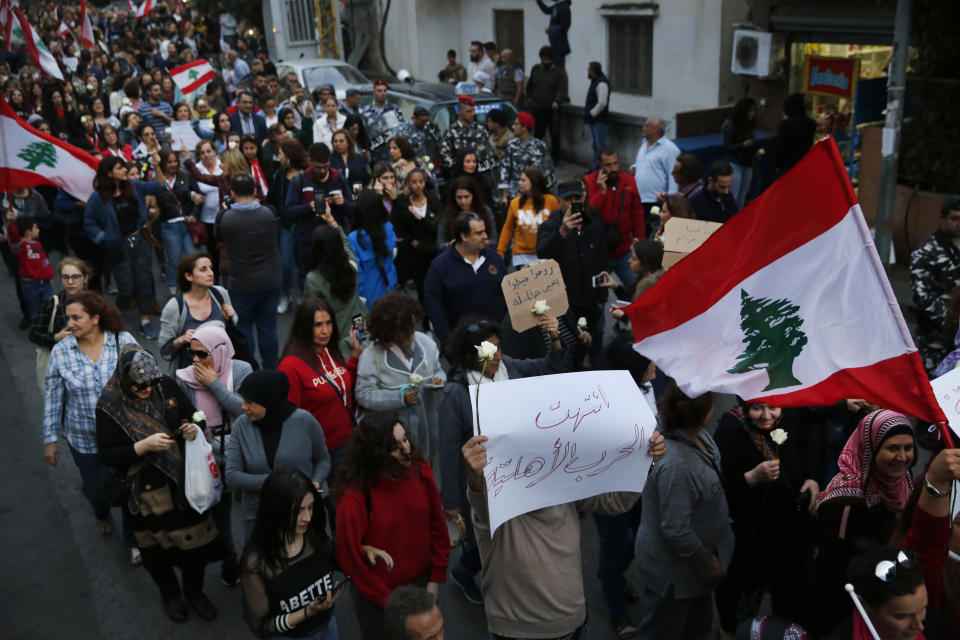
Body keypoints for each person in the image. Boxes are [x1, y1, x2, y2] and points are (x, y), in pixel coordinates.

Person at [460, 422, 665, 639]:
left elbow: (615, 501)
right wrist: (475, 476)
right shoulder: (497, 503)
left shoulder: (563, 483)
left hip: (575, 623)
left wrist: (646, 460)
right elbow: (480, 497)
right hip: (518, 632)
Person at [439, 316, 566, 604]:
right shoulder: (457, 395)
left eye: (498, 347)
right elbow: (448, 454)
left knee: (510, 536)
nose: (496, 355)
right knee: (488, 538)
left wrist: (555, 339)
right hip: (482, 484)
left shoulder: (509, 368)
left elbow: (549, 367)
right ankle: (465, 572)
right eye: (488, 349)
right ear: (472, 354)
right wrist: (452, 503)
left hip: (517, 475)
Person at [95, 345, 221, 622]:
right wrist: (142, 446)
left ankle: (194, 592)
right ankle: (171, 595)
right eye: (140, 386)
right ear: (125, 381)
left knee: (194, 549)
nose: (148, 390)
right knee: (156, 554)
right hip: (144, 494)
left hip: (182, 486)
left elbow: (196, 414)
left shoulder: (167, 385)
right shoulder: (109, 406)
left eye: (152, 383)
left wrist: (193, 427)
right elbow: (107, 454)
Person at [333, 411, 449, 640]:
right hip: (380, 597)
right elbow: (349, 558)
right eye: (396, 447)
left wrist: (436, 578)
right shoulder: (355, 496)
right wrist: (389, 602)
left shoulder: (418, 469)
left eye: (405, 439)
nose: (407, 450)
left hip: (422, 584)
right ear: (376, 454)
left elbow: (437, 525)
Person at [42, 292, 140, 558]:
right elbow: (53, 397)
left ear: (96, 318)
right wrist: (50, 439)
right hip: (84, 440)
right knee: (97, 491)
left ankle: (133, 542)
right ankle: (101, 513)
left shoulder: (123, 342)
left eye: (76, 317)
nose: (69, 323)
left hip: (125, 437)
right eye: (67, 318)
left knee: (132, 490)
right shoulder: (62, 352)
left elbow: (147, 384)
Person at [633, 382, 733, 640]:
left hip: (693, 576)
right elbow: (676, 531)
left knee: (697, 628)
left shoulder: (694, 435)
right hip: (675, 576)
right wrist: (708, 562)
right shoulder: (676, 466)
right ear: (706, 413)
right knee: (664, 631)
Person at [713, 400, 821, 635]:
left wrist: (811, 477)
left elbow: (807, 444)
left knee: (789, 593)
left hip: (790, 529)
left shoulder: (791, 414)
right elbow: (717, 488)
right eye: (757, 408)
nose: (766, 416)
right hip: (749, 533)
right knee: (742, 592)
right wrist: (751, 477)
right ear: (743, 407)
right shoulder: (729, 430)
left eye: (773, 407)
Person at [806, 410, 919, 633]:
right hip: (847, 608)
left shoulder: (904, 481)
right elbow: (832, 570)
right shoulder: (845, 502)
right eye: (893, 448)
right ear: (870, 450)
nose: (903, 457)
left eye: (908, 448)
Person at [175, 325, 252, 587]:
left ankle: (243, 562)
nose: (195, 360)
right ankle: (229, 558)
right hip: (206, 459)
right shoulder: (184, 378)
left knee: (250, 514)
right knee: (218, 515)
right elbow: (181, 416)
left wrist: (214, 385)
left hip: (239, 455)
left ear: (219, 352)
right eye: (192, 353)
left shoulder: (240, 370)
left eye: (201, 354)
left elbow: (245, 411)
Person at [226, 369, 331, 538]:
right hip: (260, 518)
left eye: (249, 401)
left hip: (302, 517)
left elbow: (323, 460)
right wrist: (278, 484)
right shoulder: (241, 426)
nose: (243, 406)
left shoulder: (305, 421)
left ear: (268, 400)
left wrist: (316, 481)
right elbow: (232, 475)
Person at [240, 469, 342, 639]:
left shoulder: (313, 536)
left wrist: (361, 549)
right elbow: (261, 626)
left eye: (310, 507)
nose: (307, 518)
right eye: (298, 511)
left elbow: (338, 561)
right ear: (275, 511)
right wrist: (307, 612)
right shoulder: (256, 564)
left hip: (328, 628)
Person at [355, 292, 446, 458]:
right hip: (391, 442)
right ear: (386, 330)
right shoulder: (371, 356)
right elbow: (363, 394)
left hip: (427, 432)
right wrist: (399, 398)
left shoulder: (426, 344)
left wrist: (440, 380)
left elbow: (438, 369)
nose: (409, 333)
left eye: (411, 326)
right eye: (402, 330)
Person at [84, 155, 165, 339]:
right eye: (120, 168)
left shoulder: (134, 186)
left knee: (144, 280)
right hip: (117, 246)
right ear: (109, 172)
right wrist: (104, 238)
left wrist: (156, 163)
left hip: (140, 240)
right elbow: (89, 223)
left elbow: (159, 185)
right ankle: (117, 314)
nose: (125, 171)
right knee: (126, 286)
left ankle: (145, 321)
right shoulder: (98, 198)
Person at [278, 297, 363, 473]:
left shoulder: (330, 351)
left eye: (328, 323)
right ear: (304, 327)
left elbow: (341, 385)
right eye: (317, 325)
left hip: (345, 443)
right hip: (314, 452)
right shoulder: (289, 366)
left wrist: (355, 356)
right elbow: (289, 418)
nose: (325, 331)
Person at [536, 179, 607, 362]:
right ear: (559, 201)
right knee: (571, 353)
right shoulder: (550, 225)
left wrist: (601, 298)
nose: (574, 202)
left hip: (591, 302)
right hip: (566, 305)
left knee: (595, 349)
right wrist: (562, 232)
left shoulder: (593, 222)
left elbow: (601, 262)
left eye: (578, 197)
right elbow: (542, 252)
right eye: (569, 199)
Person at [218, 173, 282, 369]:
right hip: (270, 279)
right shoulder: (269, 213)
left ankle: (250, 370)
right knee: (268, 327)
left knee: (243, 328)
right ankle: (271, 369)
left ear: (232, 192)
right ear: (255, 191)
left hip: (241, 282)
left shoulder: (226, 218)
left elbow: (218, 238)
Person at [824, 548, 952, 640]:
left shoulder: (939, 627)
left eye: (923, 608)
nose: (919, 626)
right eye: (902, 616)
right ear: (863, 606)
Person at [424, 211, 507, 344]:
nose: (485, 236)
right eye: (479, 233)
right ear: (464, 236)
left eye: (484, 231)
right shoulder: (440, 266)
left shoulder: (494, 258)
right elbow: (434, 306)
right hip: (464, 345)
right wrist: (447, 341)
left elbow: (508, 293)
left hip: (498, 339)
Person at [285, 142, 357, 285]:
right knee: (307, 278)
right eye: (318, 167)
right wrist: (309, 207)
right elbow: (289, 211)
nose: (323, 171)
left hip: (334, 240)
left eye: (326, 167)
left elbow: (354, 210)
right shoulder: (299, 180)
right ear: (310, 162)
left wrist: (343, 203)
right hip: (307, 240)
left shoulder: (338, 177)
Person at [910, 196, 960, 374]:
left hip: (957, 341)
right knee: (933, 387)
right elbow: (923, 296)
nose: (959, 224)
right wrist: (952, 322)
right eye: (955, 219)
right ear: (943, 218)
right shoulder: (927, 250)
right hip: (935, 338)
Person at [160, 253, 237, 368]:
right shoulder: (175, 307)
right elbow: (164, 350)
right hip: (190, 373)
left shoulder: (220, 293)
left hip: (221, 368)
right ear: (189, 276)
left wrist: (231, 317)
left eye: (211, 268)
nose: (210, 273)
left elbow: (232, 326)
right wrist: (181, 340)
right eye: (203, 270)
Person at [304, 225, 366, 360]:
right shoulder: (351, 266)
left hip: (335, 333)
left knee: (342, 367)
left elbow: (310, 313)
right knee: (363, 355)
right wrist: (333, 222)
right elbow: (347, 245)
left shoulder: (313, 279)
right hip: (358, 323)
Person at [29, 258, 91, 394]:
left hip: (90, 371)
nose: (70, 282)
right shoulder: (52, 304)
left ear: (85, 278)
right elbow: (34, 335)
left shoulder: (95, 305)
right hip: (60, 372)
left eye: (75, 277)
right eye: (65, 277)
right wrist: (55, 337)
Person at [585, 147, 646, 286]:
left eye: (615, 163)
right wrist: (601, 192)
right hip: (599, 254)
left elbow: (637, 214)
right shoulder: (589, 182)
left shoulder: (629, 181)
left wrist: (640, 241)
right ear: (600, 165)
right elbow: (587, 213)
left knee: (636, 290)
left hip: (625, 252)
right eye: (608, 165)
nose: (613, 168)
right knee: (597, 296)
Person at [154, 148, 202, 297]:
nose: (174, 164)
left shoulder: (186, 177)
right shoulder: (156, 181)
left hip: (189, 224)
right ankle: (172, 287)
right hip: (169, 225)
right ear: (162, 163)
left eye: (175, 161)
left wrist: (194, 214)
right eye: (169, 162)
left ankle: (195, 286)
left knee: (193, 257)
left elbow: (198, 197)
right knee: (173, 259)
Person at [392, 170, 441, 303]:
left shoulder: (433, 200)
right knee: (422, 289)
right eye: (414, 182)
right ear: (408, 183)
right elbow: (400, 227)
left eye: (421, 181)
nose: (418, 185)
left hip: (434, 250)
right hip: (416, 255)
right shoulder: (404, 204)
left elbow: (437, 226)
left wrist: (420, 219)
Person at [496, 167, 557, 267]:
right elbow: (508, 228)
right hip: (521, 256)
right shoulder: (515, 203)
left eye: (523, 180)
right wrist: (500, 251)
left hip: (545, 254)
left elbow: (558, 225)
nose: (519, 183)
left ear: (534, 182)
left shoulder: (551, 201)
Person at [349, 190, 398, 309]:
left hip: (366, 297)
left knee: (364, 327)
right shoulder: (388, 228)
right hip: (389, 290)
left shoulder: (353, 238)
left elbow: (357, 274)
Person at [632, 116, 681, 234]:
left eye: (647, 126)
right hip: (639, 199)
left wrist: (670, 201)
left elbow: (673, 177)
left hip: (656, 202)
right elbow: (643, 163)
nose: (643, 128)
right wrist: (634, 167)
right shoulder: (644, 144)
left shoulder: (670, 149)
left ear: (656, 131)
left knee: (654, 234)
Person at [4, 212, 53, 322]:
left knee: (50, 306)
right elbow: (13, 238)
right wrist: (11, 224)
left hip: (45, 282)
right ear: (28, 231)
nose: (39, 230)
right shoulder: (20, 247)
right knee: (35, 310)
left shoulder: (38, 244)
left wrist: (49, 276)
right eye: (36, 228)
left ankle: (49, 326)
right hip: (30, 285)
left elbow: (44, 262)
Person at [497, 111, 555, 203]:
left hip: (536, 195)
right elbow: (505, 171)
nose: (513, 127)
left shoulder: (540, 146)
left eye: (516, 124)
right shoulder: (511, 146)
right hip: (515, 195)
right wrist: (504, 196)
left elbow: (549, 172)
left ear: (524, 127)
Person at [526, 46, 566, 161]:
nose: (546, 61)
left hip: (553, 109)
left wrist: (557, 100)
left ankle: (556, 157)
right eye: (544, 58)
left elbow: (561, 89)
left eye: (548, 59)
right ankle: (535, 154)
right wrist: (528, 97)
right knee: (538, 133)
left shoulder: (558, 72)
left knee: (555, 133)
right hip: (538, 107)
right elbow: (530, 85)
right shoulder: (536, 70)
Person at [437, 176, 499, 250]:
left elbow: (494, 240)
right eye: (459, 197)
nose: (463, 202)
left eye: (466, 197)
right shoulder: (447, 214)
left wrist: (479, 242)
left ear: (473, 196)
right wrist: (450, 245)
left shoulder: (485, 211)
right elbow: (440, 244)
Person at [439, 95, 494, 175]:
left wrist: (478, 169)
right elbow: (445, 158)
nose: (472, 114)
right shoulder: (450, 132)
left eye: (473, 111)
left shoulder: (481, 131)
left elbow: (491, 155)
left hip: (480, 176)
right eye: (469, 111)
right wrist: (460, 169)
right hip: (459, 176)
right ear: (460, 111)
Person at [722, 98, 758, 208]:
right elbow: (727, 146)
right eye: (750, 110)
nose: (753, 113)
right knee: (734, 193)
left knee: (743, 194)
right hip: (735, 164)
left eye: (754, 110)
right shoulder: (732, 126)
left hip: (747, 164)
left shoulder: (749, 126)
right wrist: (742, 145)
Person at [777, 93, 817, 175]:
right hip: (804, 165)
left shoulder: (785, 125)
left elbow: (782, 147)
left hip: (788, 166)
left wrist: (777, 163)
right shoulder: (811, 123)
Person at [330, 128, 371, 197]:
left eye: (341, 141)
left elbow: (366, 179)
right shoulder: (330, 160)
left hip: (358, 193)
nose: (337, 144)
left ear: (348, 143)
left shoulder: (359, 159)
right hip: (338, 196)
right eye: (335, 141)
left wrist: (358, 196)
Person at [585, 61, 610, 171]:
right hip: (594, 120)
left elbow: (602, 103)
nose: (588, 72)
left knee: (600, 146)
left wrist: (592, 113)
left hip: (599, 120)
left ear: (593, 71)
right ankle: (595, 167)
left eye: (589, 70)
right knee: (595, 145)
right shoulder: (596, 81)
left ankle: (601, 168)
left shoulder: (602, 83)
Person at [535, 0, 572, 68]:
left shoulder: (564, 7)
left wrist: (550, 29)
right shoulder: (557, 6)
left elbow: (565, 26)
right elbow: (547, 10)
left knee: (558, 68)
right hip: (555, 43)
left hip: (560, 44)